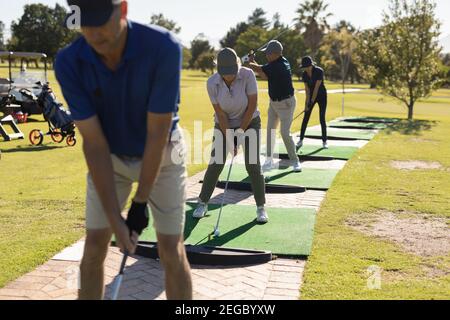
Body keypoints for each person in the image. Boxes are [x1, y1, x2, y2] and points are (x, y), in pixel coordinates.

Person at [55, 0, 192, 300]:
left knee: (170, 248)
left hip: (163, 154)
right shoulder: (68, 62)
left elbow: (157, 134)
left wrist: (140, 203)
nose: (93, 32)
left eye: (101, 19)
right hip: (111, 158)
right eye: (84, 21)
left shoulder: (163, 47)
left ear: (123, 10)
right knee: (93, 248)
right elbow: (94, 143)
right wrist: (116, 220)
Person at [192, 48, 268, 224]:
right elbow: (220, 114)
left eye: (232, 73)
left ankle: (261, 207)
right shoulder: (212, 83)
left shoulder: (248, 75)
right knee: (216, 163)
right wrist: (229, 139)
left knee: (253, 164)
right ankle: (202, 203)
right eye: (225, 74)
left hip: (250, 122)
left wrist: (240, 132)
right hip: (223, 124)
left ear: (237, 66)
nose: (229, 77)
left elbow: (252, 105)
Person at [246, 40, 302, 173]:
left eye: (268, 54)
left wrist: (250, 61)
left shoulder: (281, 65)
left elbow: (259, 69)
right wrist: (253, 62)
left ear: (276, 54)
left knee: (284, 133)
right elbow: (265, 75)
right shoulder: (276, 63)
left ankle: (295, 161)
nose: (267, 56)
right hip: (274, 103)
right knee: (270, 131)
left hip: (286, 104)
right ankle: (269, 161)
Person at [297, 56, 328, 149]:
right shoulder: (304, 74)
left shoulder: (319, 71)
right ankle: (301, 139)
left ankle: (324, 141)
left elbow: (316, 88)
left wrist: (312, 101)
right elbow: (307, 90)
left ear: (311, 65)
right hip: (311, 96)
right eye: (304, 67)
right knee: (306, 117)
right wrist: (307, 104)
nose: (306, 68)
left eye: (307, 66)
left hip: (322, 96)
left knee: (322, 118)